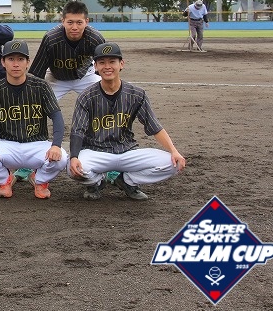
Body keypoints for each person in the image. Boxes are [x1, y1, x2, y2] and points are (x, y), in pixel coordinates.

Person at [68, 43, 187, 200]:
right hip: (96, 152)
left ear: (121, 64)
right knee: (72, 168)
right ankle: (97, 181)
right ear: (95, 66)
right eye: (102, 62)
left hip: (127, 152)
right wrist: (74, 157)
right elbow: (77, 131)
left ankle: (126, 180)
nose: (107, 66)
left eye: (112, 62)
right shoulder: (86, 96)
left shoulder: (136, 94)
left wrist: (174, 151)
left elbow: (154, 127)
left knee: (173, 164)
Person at [16, 0, 105, 180]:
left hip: (85, 76)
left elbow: (104, 66)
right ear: (62, 21)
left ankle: (106, 155)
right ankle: (28, 163)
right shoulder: (52, 38)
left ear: (87, 22)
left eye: (79, 22)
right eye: (70, 22)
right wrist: (30, 97)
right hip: (56, 77)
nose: (74, 27)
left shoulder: (95, 38)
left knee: (104, 106)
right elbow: (37, 72)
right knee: (34, 110)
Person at [0, 40, 68, 199]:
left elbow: (56, 116)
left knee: (62, 158)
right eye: (11, 59)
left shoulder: (41, 86)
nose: (16, 64)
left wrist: (56, 145)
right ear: (3, 62)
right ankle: (4, 180)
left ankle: (40, 180)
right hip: (7, 145)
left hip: (37, 144)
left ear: (27, 62)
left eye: (20, 59)